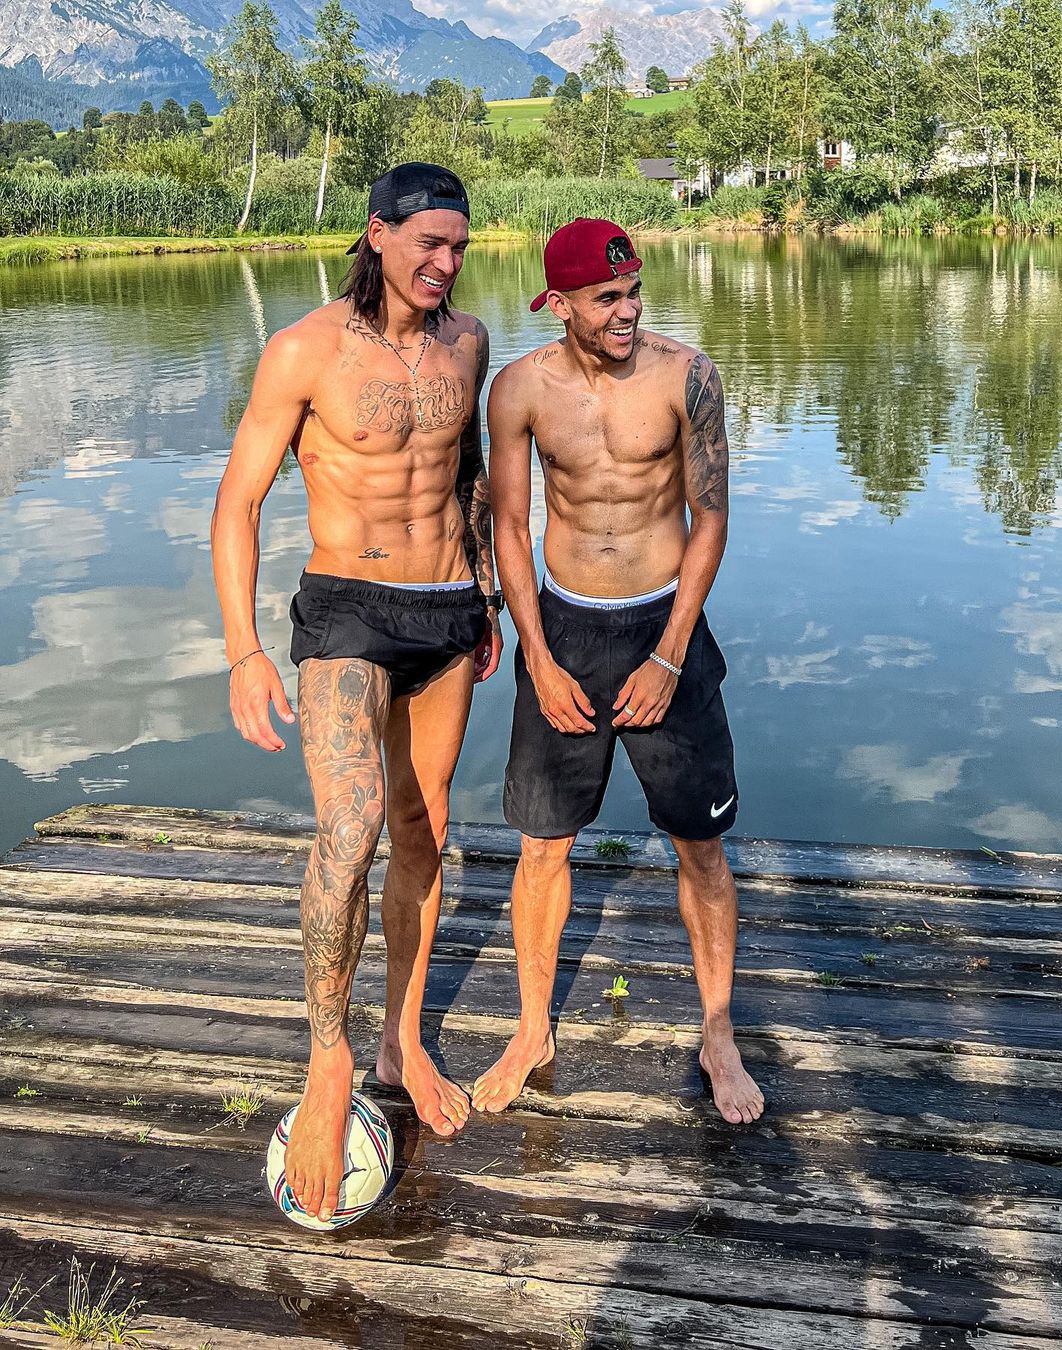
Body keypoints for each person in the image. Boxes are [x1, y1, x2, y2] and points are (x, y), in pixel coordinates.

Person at [210, 163, 502, 1224]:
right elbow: (238, 503)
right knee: (352, 828)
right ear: (376, 234)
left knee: (423, 828)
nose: (445, 263)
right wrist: (245, 650)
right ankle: (328, 1062)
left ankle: (400, 1036)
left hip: (446, 614)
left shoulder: (469, 343)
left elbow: (465, 470)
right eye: (428, 242)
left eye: (460, 246)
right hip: (346, 610)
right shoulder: (304, 352)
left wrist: (489, 599)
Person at [474, 217, 763, 1125]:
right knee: (542, 845)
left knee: (700, 845)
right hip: (567, 629)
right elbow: (509, 527)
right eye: (606, 299)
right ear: (557, 304)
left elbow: (709, 520)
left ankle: (718, 1033)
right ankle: (531, 1028)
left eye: (633, 292)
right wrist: (538, 653)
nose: (627, 312)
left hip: (663, 628)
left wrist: (672, 653)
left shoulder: (688, 377)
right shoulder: (519, 390)